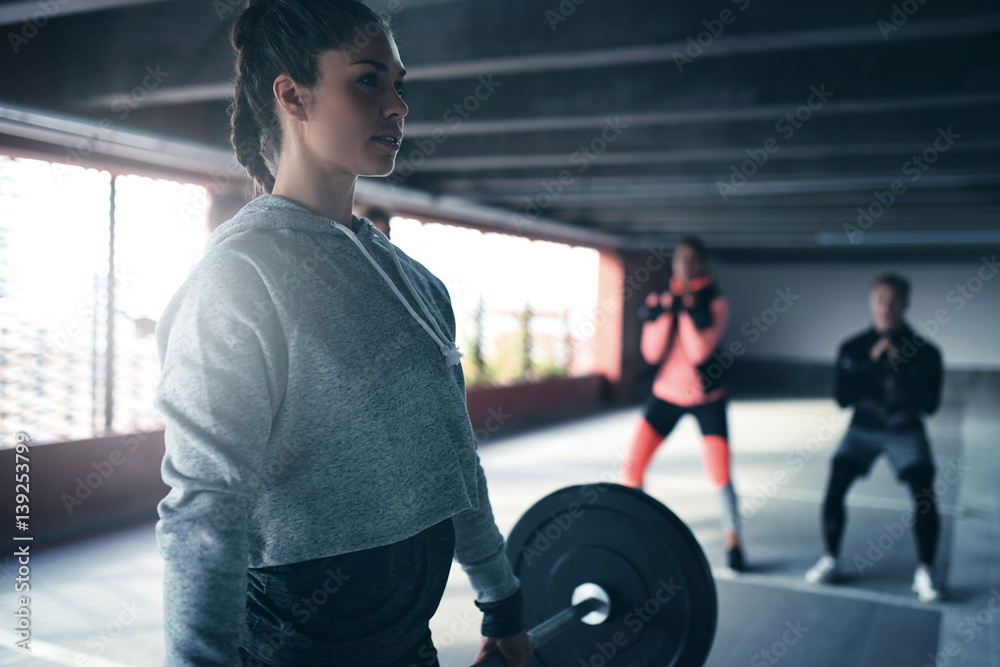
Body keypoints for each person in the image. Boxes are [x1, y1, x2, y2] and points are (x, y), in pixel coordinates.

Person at [152, 2, 532, 665]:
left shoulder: (418, 285)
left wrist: (502, 601)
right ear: (292, 96)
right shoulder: (238, 277)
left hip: (408, 642)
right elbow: (205, 511)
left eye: (398, 84)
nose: (398, 106)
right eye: (368, 79)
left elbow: (455, 461)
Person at [805, 273, 944, 603]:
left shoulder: (926, 353)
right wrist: (871, 365)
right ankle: (831, 558)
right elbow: (842, 398)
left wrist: (902, 366)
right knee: (836, 481)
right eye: (881, 300)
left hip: (905, 430)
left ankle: (925, 570)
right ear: (872, 303)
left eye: (894, 301)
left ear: (905, 305)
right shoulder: (852, 348)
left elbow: (930, 406)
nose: (887, 307)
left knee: (924, 492)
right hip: (862, 429)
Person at [619, 236, 747, 572]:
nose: (686, 266)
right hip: (665, 394)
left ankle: (733, 541)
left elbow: (698, 351)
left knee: (720, 473)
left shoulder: (716, 302)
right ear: (674, 264)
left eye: (693, 260)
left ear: (703, 264)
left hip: (707, 398)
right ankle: (636, 534)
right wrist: (668, 308)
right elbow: (652, 352)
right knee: (631, 468)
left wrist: (687, 308)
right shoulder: (658, 298)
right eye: (680, 259)